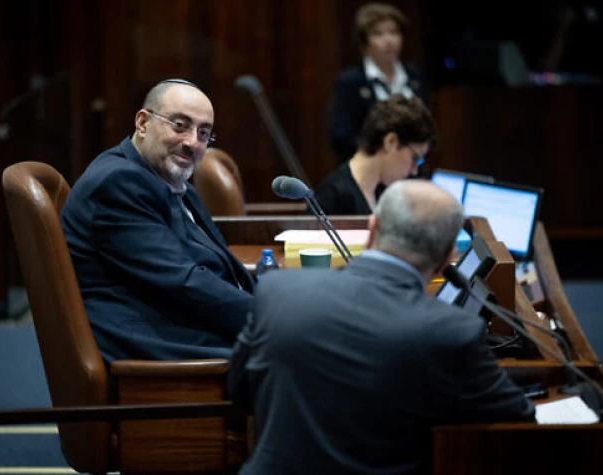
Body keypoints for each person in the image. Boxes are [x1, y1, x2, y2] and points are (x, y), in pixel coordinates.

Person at [228, 180, 535, 474]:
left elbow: (239, 386)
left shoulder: (277, 290)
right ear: (446, 259)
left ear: (371, 230)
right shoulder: (452, 331)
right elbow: (518, 417)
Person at [60, 79, 255, 363]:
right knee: (302, 357)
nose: (192, 142)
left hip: (181, 320)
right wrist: (270, 314)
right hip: (157, 342)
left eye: (203, 133)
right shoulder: (118, 183)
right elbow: (183, 283)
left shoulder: (168, 178)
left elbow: (208, 266)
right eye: (179, 125)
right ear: (142, 123)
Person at [329, 2, 428, 163]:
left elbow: (427, 127)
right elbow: (340, 136)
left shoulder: (414, 76)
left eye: (394, 32)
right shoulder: (352, 81)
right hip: (369, 170)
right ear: (364, 41)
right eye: (378, 34)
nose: (388, 40)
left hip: (412, 167)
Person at [315, 94, 435, 215]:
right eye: (415, 158)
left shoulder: (383, 190)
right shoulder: (332, 198)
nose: (414, 171)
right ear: (391, 141)